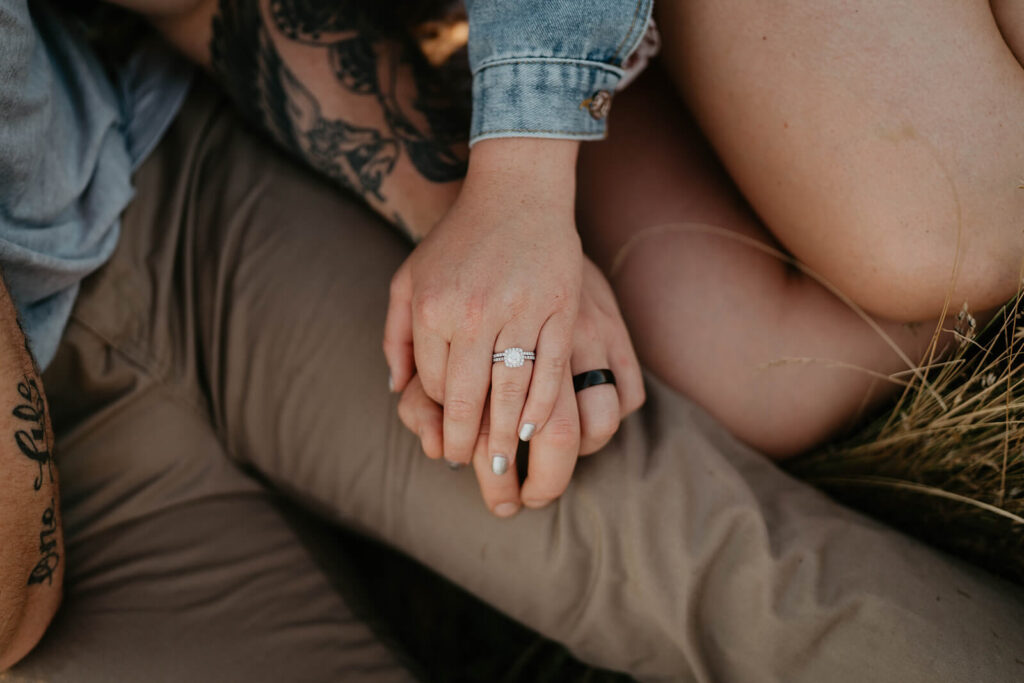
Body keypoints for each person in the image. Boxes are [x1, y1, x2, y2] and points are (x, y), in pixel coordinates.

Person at [3, 0, 1024, 680]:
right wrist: (493, 228)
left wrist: (514, 195)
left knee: (945, 241)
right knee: (752, 369)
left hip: (169, 194)